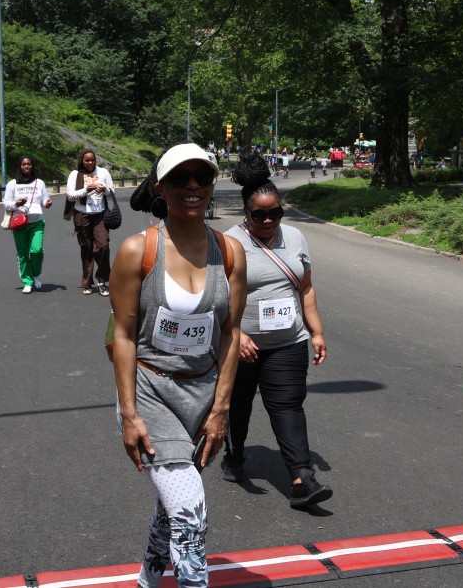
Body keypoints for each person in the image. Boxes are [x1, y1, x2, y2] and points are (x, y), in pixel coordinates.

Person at [110, 143, 246, 588]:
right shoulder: (138, 250)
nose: (193, 186)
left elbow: (230, 334)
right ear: (160, 187)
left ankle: (147, 580)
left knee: (171, 510)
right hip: (151, 392)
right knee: (189, 512)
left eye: (202, 178)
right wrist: (129, 413)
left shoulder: (230, 252)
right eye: (180, 178)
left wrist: (221, 409)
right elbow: (123, 336)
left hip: (203, 397)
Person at [221, 152, 331, 509]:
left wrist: (316, 332)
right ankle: (234, 454)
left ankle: (302, 478)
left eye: (275, 213)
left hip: (288, 342)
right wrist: (237, 334)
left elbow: (306, 288)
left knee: (288, 406)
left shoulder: (295, 238)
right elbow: (216, 297)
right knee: (238, 405)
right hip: (242, 345)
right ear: (246, 213)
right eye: (259, 215)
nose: (268, 220)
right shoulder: (228, 243)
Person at [66, 149, 115, 296]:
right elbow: (70, 196)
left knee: (103, 246)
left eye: (92, 160)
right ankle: (87, 282)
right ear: (82, 161)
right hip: (82, 215)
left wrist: (105, 189)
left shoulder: (103, 172)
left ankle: (102, 280)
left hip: (100, 214)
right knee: (86, 248)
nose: (90, 163)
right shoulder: (75, 174)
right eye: (87, 160)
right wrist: (86, 190)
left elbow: (112, 192)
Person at [3, 155, 53, 294]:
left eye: (29, 164)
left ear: (32, 166)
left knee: (37, 250)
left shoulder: (39, 183)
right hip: (20, 222)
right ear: (20, 166)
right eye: (24, 164)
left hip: (36, 221)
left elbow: (45, 200)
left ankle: (35, 274)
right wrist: (16, 204)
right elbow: (6, 203)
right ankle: (27, 281)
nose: (26, 166)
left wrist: (47, 203)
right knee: (23, 253)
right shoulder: (13, 184)